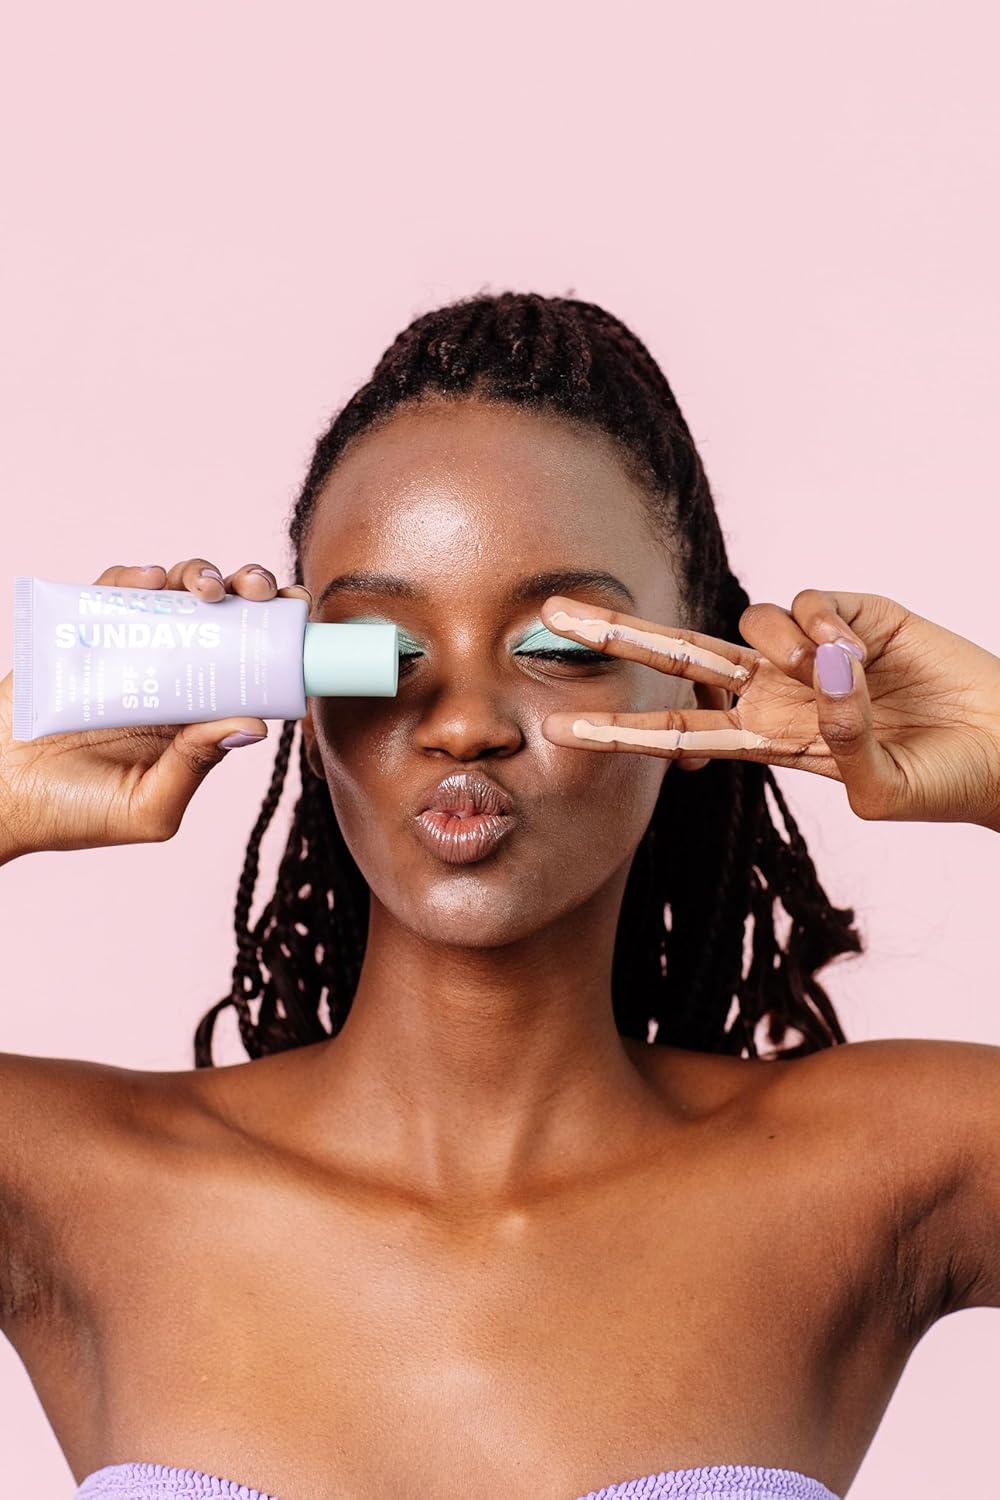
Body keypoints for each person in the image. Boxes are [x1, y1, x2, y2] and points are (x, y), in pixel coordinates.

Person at [1, 291, 998, 1500]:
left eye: (561, 647)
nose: (464, 722)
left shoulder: (881, 1167)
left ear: (698, 690)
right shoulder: (71, 1179)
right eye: (374, 648)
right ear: (294, 690)